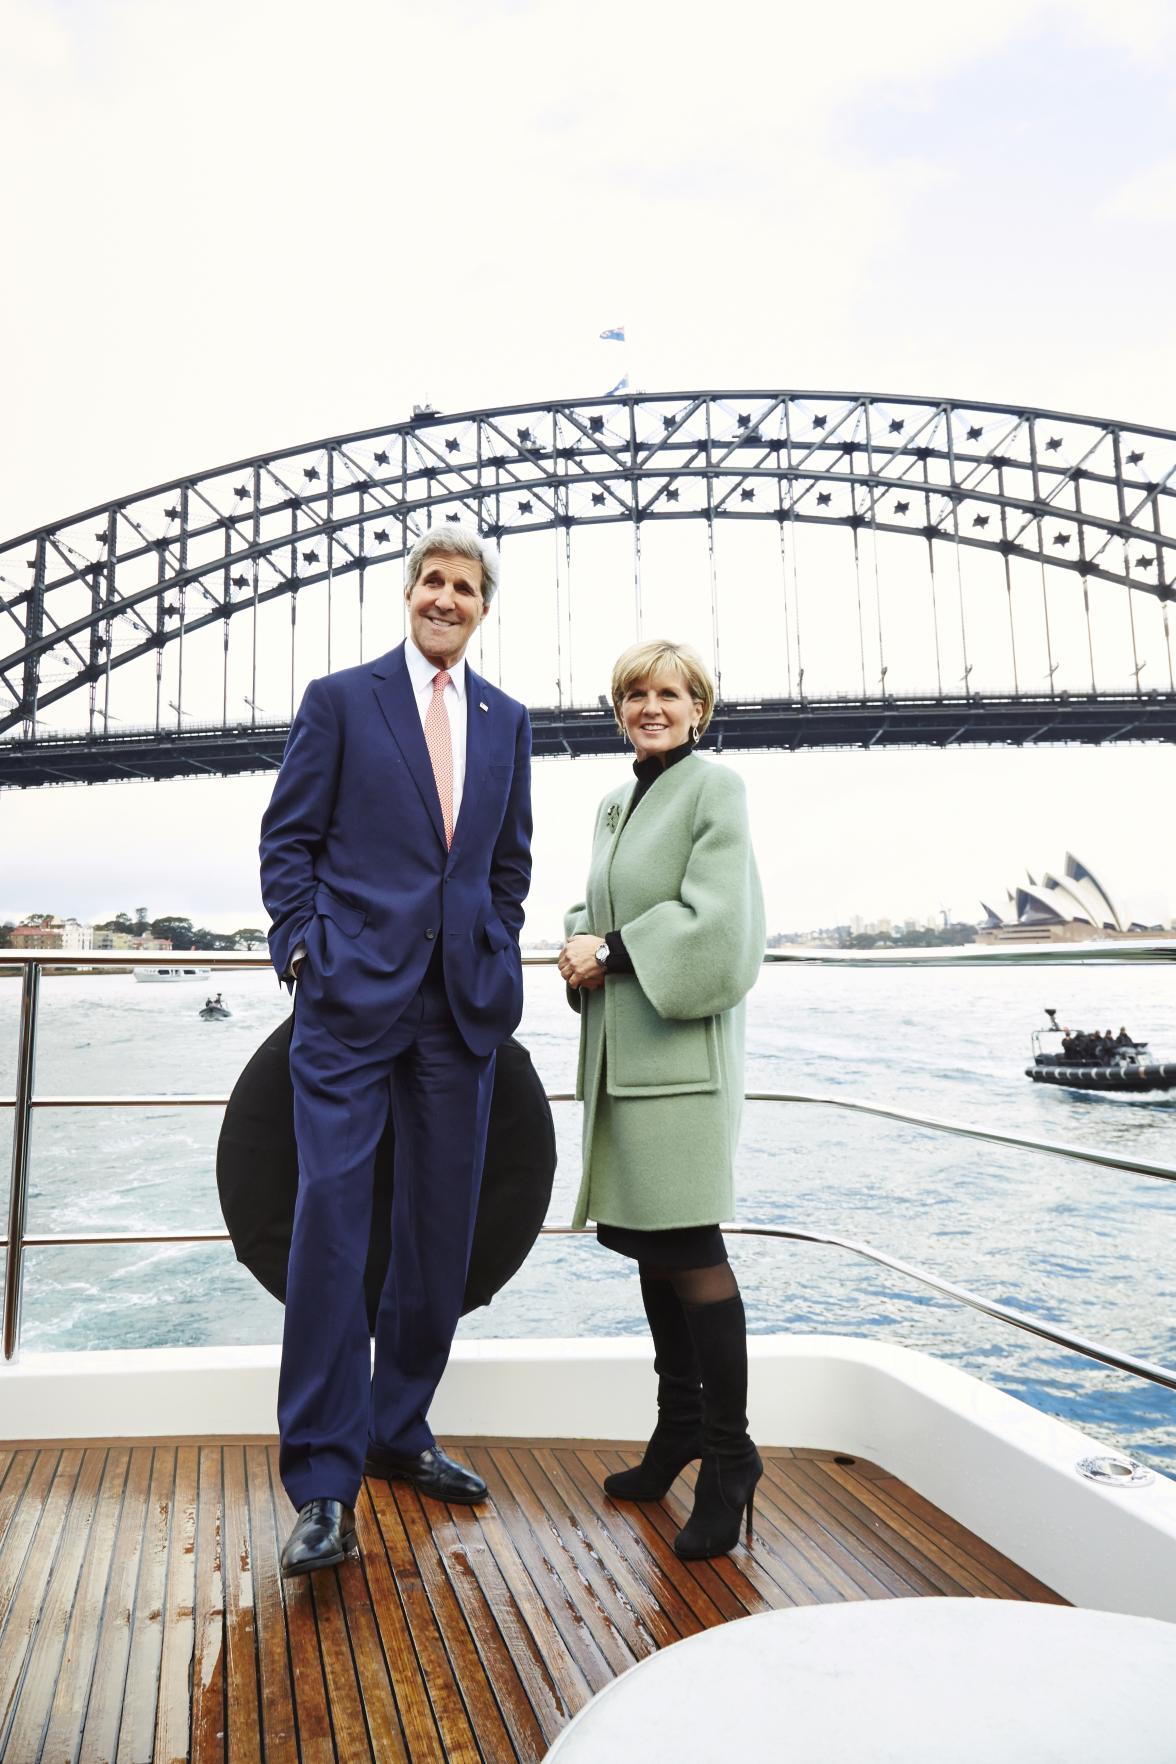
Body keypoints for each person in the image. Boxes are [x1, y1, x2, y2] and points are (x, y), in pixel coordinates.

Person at [260, 525, 532, 1576]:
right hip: (346, 1005)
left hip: (458, 1011)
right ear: (407, 594)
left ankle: (400, 1429)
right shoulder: (341, 700)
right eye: (432, 581)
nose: (447, 598)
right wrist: (300, 951)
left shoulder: (508, 722)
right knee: (330, 1228)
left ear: (482, 608)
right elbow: (288, 839)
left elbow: (507, 863)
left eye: (465, 587)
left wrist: (496, 947)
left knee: (436, 1235)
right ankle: (324, 1480)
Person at [558, 639, 765, 1561]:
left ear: (698, 708)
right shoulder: (614, 799)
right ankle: (677, 1426)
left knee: (692, 1252)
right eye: (634, 694)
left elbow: (720, 920)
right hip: (626, 1065)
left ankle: (730, 1457)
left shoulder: (715, 790)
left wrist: (612, 950)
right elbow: (596, 906)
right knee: (647, 1243)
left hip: (680, 1065)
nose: (650, 706)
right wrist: (579, 941)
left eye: (668, 694)